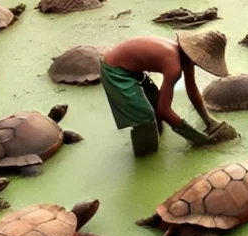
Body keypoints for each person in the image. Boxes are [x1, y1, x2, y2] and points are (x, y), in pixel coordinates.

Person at [100, 31, 236, 156]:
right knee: (144, 116)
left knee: (154, 99)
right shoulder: (173, 66)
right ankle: (145, 156)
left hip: (132, 69)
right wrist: (196, 137)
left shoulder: (185, 58)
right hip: (115, 70)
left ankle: (156, 132)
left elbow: (192, 89)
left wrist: (209, 120)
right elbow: (164, 111)